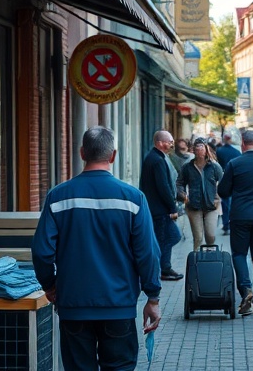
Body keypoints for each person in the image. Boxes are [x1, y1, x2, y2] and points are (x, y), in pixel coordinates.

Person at [32, 126, 161, 370]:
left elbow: (41, 251)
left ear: (82, 153)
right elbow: (148, 253)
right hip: (119, 306)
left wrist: (50, 285)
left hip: (73, 305)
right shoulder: (133, 199)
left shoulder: (58, 197)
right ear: (113, 155)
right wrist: (152, 297)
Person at [218, 129, 253, 316]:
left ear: (242, 143)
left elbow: (223, 192)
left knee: (239, 254)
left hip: (240, 216)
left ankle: (245, 290)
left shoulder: (235, 164)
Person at [140, 130, 183, 280]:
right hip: (159, 209)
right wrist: (173, 207)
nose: (171, 144)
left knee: (165, 238)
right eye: (169, 141)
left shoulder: (155, 157)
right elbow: (163, 186)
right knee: (171, 236)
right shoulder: (157, 160)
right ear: (160, 143)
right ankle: (161, 269)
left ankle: (165, 267)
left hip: (156, 208)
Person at [176, 137, 224, 249]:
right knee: (198, 237)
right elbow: (179, 183)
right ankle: (197, 263)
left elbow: (223, 183)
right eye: (197, 148)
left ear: (206, 149)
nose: (199, 150)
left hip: (211, 206)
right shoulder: (188, 167)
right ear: (193, 150)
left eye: (201, 147)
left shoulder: (214, 166)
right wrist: (183, 195)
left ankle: (210, 259)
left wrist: (217, 199)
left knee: (210, 236)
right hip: (193, 206)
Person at [215, 132, 241, 235]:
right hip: (235, 179)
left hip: (224, 177)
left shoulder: (219, 151)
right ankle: (232, 222)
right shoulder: (236, 152)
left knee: (225, 203)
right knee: (233, 201)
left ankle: (226, 224)